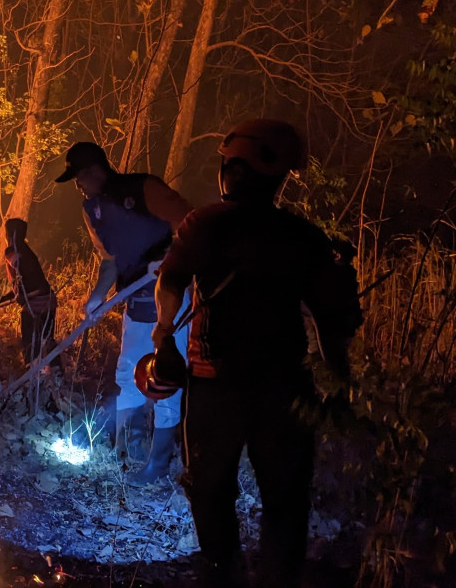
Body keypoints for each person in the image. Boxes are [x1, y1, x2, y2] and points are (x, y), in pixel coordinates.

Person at [152, 119, 361, 587]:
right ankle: (278, 578)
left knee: (209, 488)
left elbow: (170, 283)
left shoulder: (205, 223)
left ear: (237, 169)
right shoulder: (304, 237)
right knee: (286, 498)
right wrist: (341, 383)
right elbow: (331, 320)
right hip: (286, 389)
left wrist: (163, 335)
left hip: (214, 384)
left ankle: (222, 571)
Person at [55, 141, 192, 485]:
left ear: (94, 171)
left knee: (165, 381)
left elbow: (191, 224)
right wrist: (96, 298)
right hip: (136, 302)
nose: (78, 186)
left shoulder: (142, 187)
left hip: (172, 302)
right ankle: (125, 452)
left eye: (79, 178)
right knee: (128, 375)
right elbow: (110, 261)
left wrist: (172, 257)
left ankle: (157, 466)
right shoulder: (92, 211)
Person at [0, 218, 57, 369]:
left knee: (30, 344)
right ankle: (53, 375)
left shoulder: (14, 252)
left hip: (37, 303)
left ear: (9, 234)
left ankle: (33, 377)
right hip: (49, 300)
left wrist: (26, 295)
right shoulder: (26, 251)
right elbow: (23, 287)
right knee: (47, 342)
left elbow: (31, 282)